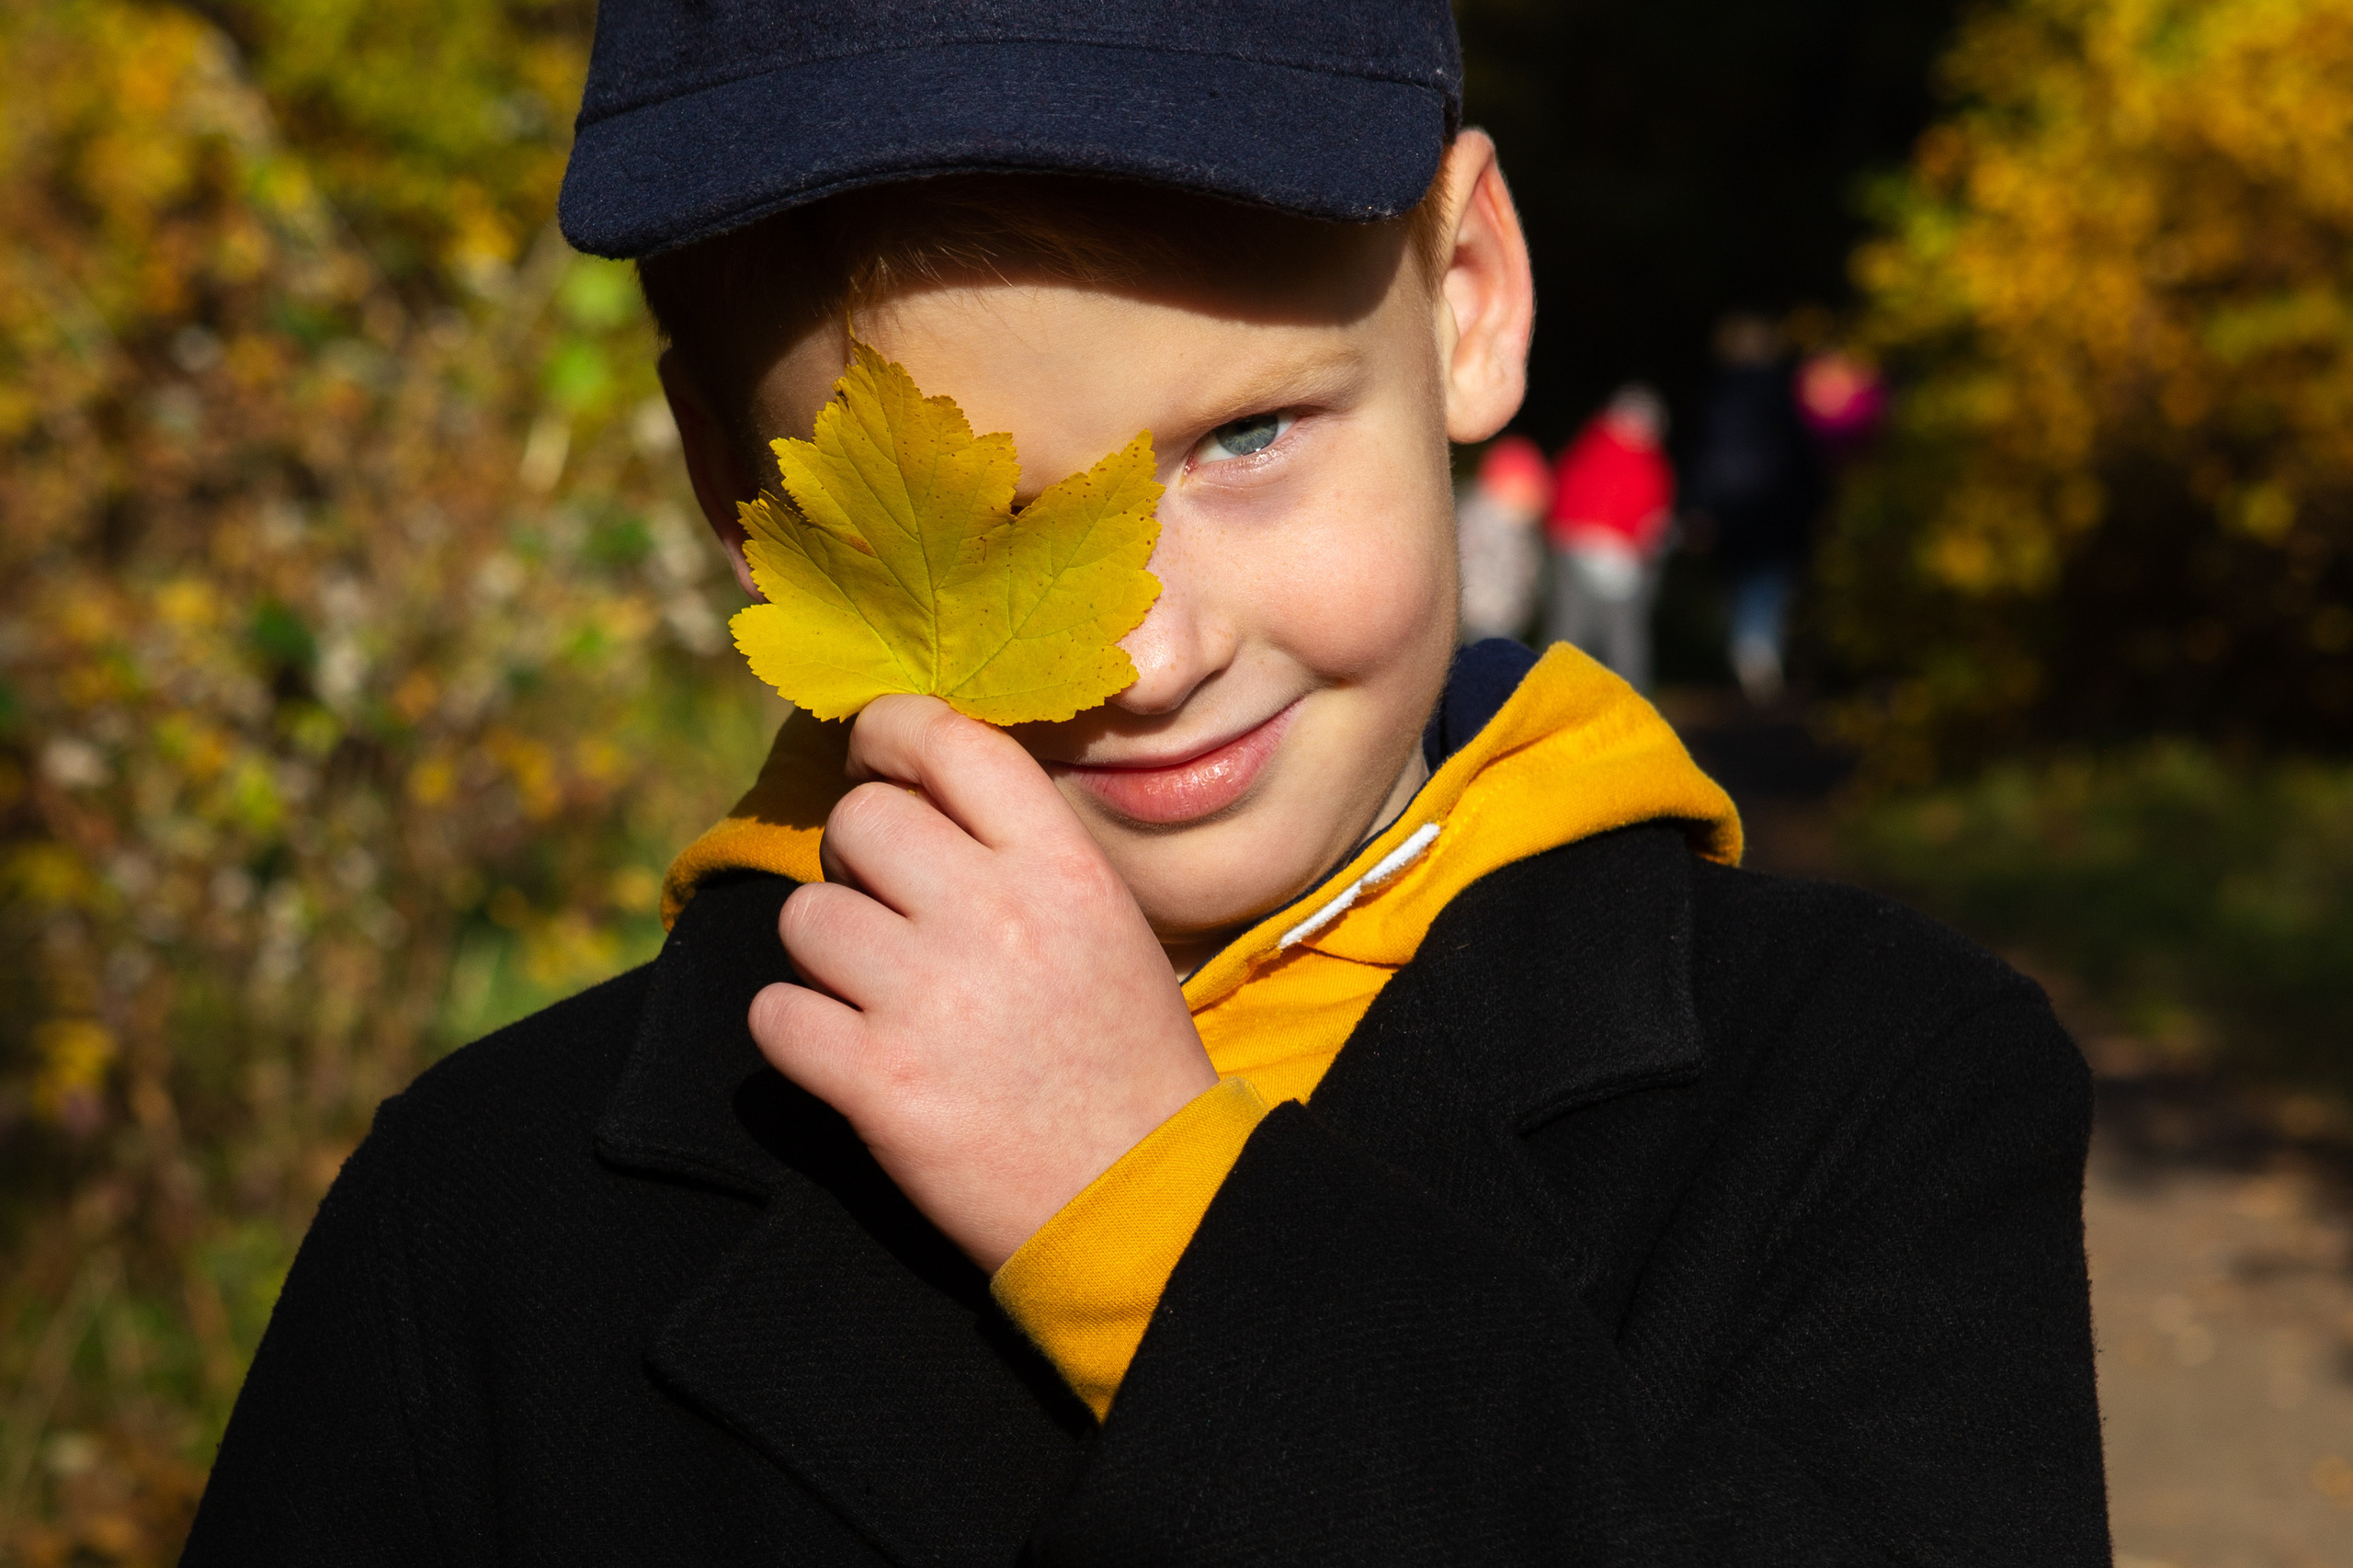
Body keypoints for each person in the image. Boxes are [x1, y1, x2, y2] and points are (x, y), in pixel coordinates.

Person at [183, 4, 2109, 1562]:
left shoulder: (1867, 1095)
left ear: (1465, 292)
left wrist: (1157, 1217)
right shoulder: (488, 1223)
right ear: (734, 487)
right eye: (993, 529)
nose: (1154, 655)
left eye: (1245, 436)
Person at [1688, 312, 1826, 706]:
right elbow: (1803, 457)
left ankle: (1750, 650)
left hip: (1732, 508)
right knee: (1771, 584)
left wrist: (1700, 507)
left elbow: (1707, 459)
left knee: (1741, 583)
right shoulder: (1787, 395)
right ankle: (1759, 653)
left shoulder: (1717, 398)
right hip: (1777, 504)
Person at [1544, 383, 1675, 689]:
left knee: (1614, 633)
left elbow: (1654, 515)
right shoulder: (1592, 450)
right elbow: (1566, 495)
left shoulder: (1648, 463)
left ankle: (1624, 693)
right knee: (1577, 629)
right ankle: (1556, 692)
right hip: (1582, 552)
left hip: (1617, 558)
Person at [1454, 434, 1550, 642]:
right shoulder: (1480, 520)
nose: (1536, 497)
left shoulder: (1517, 525)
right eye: (1528, 487)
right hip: (1480, 616)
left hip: (1504, 618)